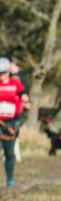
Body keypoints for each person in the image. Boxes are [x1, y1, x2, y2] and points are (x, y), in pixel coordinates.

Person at [0, 57, 30, 188]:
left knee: (9, 152)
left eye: (3, 72)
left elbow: (24, 96)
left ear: (8, 72)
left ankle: (10, 180)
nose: (1, 75)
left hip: (11, 123)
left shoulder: (16, 84)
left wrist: (26, 101)